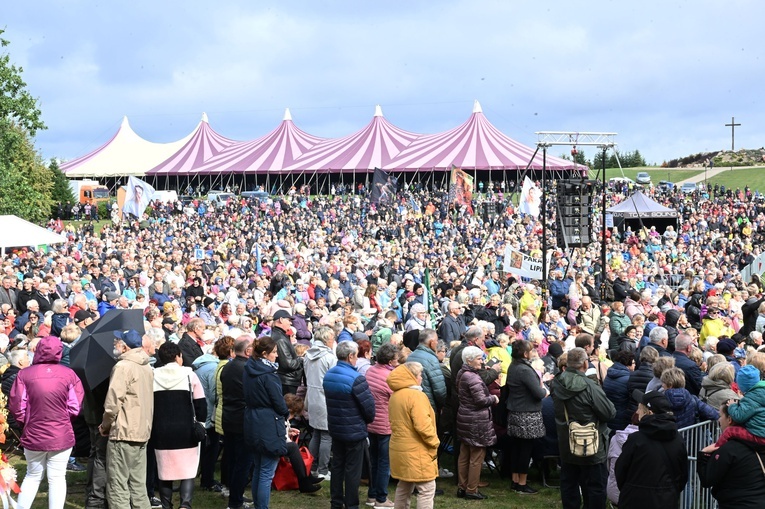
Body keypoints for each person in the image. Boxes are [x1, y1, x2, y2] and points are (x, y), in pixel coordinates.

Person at [9, 336, 85, 509]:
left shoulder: (24, 373)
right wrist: (63, 420)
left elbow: (17, 406)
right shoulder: (69, 374)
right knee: (57, 478)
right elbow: (75, 406)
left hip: (34, 432)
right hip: (60, 433)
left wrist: (26, 423)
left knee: (32, 475)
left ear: (38, 351)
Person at [551, 347, 616, 509]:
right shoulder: (590, 386)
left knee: (569, 484)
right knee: (595, 486)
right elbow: (609, 413)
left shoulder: (556, 382)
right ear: (585, 364)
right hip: (592, 445)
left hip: (567, 442)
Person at [99, 329, 154, 509]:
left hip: (124, 431)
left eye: (117, 341)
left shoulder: (123, 367)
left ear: (124, 346)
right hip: (141, 430)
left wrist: (105, 425)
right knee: (138, 484)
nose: (115, 344)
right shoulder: (145, 366)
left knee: (117, 485)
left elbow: (113, 402)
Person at [150, 341, 206, 509]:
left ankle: (166, 505)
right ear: (178, 356)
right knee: (187, 470)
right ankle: (185, 504)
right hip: (186, 429)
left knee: (164, 470)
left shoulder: (152, 375)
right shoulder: (190, 375)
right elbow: (201, 404)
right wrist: (201, 423)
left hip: (160, 429)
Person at [323, 340, 376, 509]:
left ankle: (336, 502)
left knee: (338, 465)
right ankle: (351, 504)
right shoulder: (356, 378)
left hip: (336, 427)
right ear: (350, 356)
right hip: (353, 430)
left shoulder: (329, 374)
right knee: (352, 469)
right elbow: (369, 409)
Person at [614, 390, 688, 509]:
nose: (637, 412)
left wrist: (631, 489)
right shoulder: (678, 440)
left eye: (640, 409)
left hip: (634, 500)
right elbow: (682, 475)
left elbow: (621, 471)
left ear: (649, 412)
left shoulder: (635, 440)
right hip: (666, 500)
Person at [243, 335, 292, 508]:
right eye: (274, 352)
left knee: (259, 468)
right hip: (268, 422)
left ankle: (258, 505)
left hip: (252, 420)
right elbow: (278, 402)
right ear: (265, 353)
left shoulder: (248, 369)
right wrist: (286, 413)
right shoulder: (268, 375)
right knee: (266, 472)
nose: (277, 355)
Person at [387, 362, 440, 509]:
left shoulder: (396, 395)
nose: (421, 378)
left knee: (404, 485)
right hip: (417, 450)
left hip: (400, 448)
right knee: (426, 488)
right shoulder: (416, 396)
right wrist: (434, 442)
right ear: (412, 377)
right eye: (419, 375)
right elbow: (423, 425)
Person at [698, 404, 765, 509]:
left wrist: (703, 454)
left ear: (729, 419)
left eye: (720, 416)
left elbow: (707, 479)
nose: (719, 420)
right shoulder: (759, 444)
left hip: (735, 503)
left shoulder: (729, 449)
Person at [505, 340, 550, 494]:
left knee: (517, 447)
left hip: (515, 411)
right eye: (530, 351)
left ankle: (515, 480)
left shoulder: (513, 366)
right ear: (525, 354)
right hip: (527, 414)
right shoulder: (524, 369)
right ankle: (522, 483)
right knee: (525, 449)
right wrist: (545, 391)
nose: (533, 353)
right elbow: (538, 393)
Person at [456, 345, 498, 500]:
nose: (482, 361)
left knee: (464, 454)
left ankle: (462, 487)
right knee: (476, 456)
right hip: (476, 420)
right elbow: (480, 400)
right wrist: (493, 398)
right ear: (469, 360)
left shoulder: (463, 372)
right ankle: (472, 490)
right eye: (479, 359)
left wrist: (482, 370)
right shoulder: (472, 377)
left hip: (465, 417)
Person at [220, 336, 255, 509]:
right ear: (248, 351)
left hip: (229, 418)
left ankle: (235, 495)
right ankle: (235, 501)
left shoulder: (228, 367)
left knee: (234, 460)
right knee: (242, 463)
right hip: (242, 420)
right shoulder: (247, 369)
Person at [364, 343, 399, 508]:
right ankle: (381, 498)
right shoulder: (390, 377)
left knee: (374, 461)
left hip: (370, 422)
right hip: (384, 424)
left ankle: (372, 495)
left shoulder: (370, 370)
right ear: (391, 361)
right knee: (384, 463)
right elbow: (397, 398)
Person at [304, 326, 337, 480]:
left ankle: (312, 466)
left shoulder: (307, 355)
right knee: (325, 435)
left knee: (317, 433)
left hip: (312, 396)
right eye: (332, 338)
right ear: (326, 340)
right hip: (324, 397)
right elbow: (334, 379)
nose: (333, 341)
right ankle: (323, 470)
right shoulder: (329, 357)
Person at [405, 328, 447, 412]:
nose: (437, 342)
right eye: (436, 340)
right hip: (429, 405)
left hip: (413, 401)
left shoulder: (410, 356)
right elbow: (439, 389)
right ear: (431, 343)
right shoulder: (431, 359)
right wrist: (442, 405)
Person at [272, 309, 304, 395]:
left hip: (287, 380)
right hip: (287, 382)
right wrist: (301, 359)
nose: (290, 323)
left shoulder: (281, 336)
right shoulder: (280, 339)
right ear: (281, 320)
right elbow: (288, 364)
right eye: (289, 320)